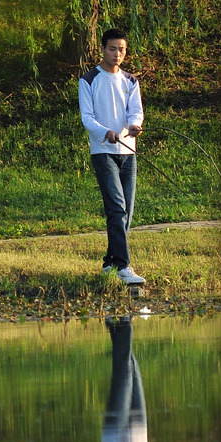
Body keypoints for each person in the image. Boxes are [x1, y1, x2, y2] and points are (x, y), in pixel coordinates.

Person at [79, 28, 146, 285]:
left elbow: (135, 112)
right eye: (112, 49)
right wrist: (104, 132)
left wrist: (134, 126)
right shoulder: (89, 80)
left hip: (128, 151)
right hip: (103, 151)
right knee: (117, 208)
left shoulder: (130, 80)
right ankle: (123, 266)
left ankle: (110, 261)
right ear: (102, 49)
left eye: (122, 49)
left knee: (126, 211)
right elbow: (87, 118)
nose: (118, 54)